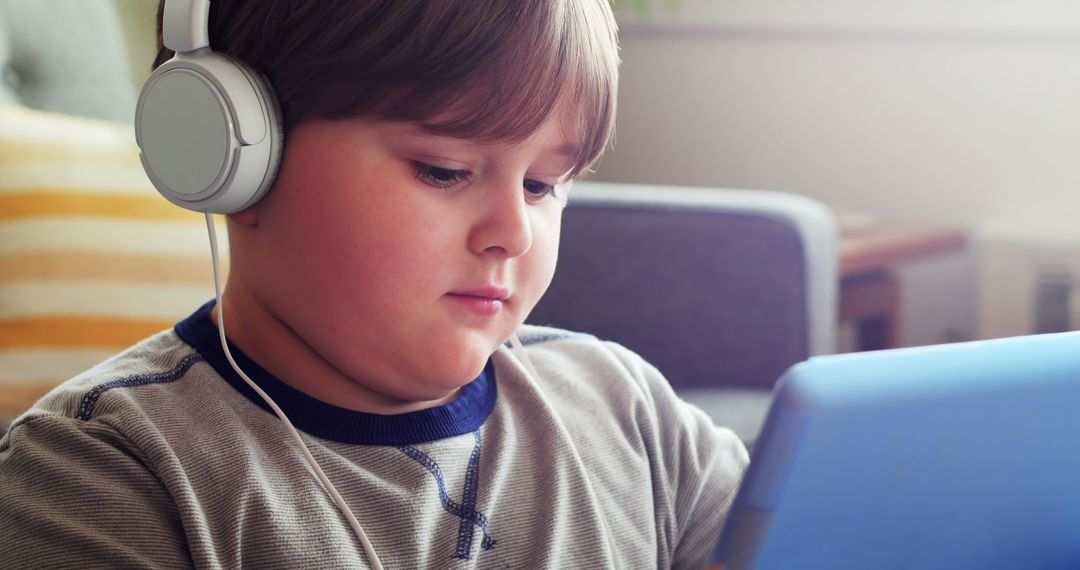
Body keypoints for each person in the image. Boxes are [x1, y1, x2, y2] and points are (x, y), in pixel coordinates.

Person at [0, 0, 748, 568]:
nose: (512, 233)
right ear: (235, 155)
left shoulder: (631, 415)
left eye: (544, 184)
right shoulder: (100, 472)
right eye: (445, 170)